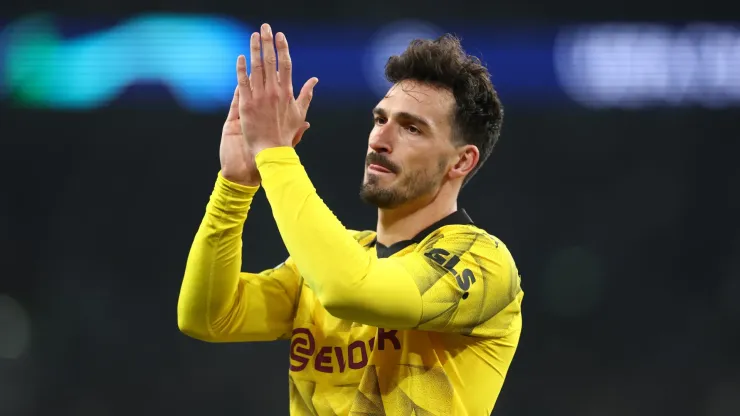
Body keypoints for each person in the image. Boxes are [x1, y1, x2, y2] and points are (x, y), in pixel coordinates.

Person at [177, 22, 523, 415]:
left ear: (461, 160)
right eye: (380, 120)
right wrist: (235, 185)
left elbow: (350, 291)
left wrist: (274, 153)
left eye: (411, 128)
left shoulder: (483, 262)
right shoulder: (334, 259)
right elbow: (207, 317)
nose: (380, 139)